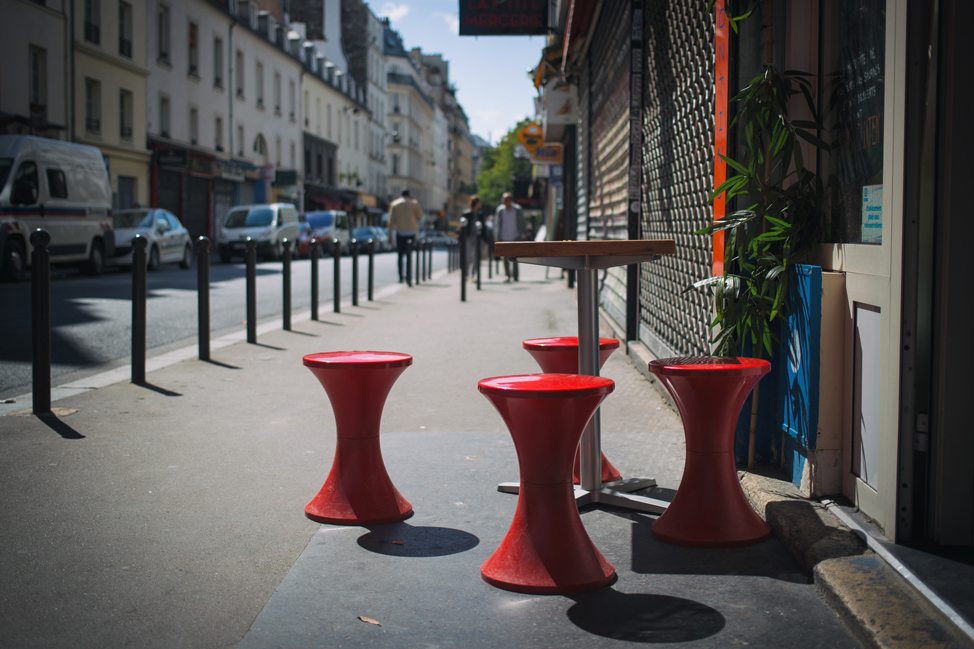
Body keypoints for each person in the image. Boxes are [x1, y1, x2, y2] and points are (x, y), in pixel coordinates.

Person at [387, 189, 424, 283]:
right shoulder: (414, 203)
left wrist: (389, 235)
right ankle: (408, 277)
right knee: (409, 256)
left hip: (400, 232)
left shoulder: (395, 204)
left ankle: (400, 277)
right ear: (409, 195)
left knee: (400, 256)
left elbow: (391, 221)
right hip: (411, 233)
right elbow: (421, 215)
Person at [494, 192, 526, 281]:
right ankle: (507, 275)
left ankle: (515, 275)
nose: (505, 201)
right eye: (504, 199)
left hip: (515, 236)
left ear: (511, 200)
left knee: (515, 257)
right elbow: (497, 224)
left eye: (507, 199)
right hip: (504, 236)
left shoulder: (517, 209)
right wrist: (496, 236)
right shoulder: (500, 210)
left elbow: (522, 222)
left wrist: (523, 234)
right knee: (505, 258)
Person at [462, 195, 482, 279]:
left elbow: (483, 228)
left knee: (477, 257)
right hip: (468, 237)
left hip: (478, 238)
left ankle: (474, 274)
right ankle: (465, 273)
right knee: (468, 256)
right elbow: (462, 227)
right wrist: (461, 239)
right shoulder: (467, 214)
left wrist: (485, 239)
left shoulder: (480, 214)